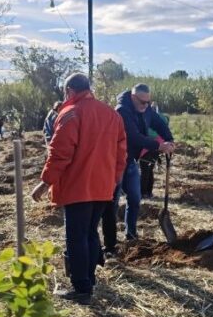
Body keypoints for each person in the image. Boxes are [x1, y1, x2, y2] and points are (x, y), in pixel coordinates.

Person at [32, 73, 126, 305]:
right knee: (91, 232)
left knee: (76, 237)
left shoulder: (71, 113)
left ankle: (81, 288)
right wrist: (112, 180)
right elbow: (121, 154)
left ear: (69, 91)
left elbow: (60, 153)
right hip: (103, 187)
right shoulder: (111, 114)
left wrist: (45, 182)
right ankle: (89, 280)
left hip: (78, 187)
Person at [104, 84, 174, 255]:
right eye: (142, 102)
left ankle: (131, 235)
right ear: (133, 98)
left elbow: (159, 123)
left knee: (135, 199)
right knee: (112, 204)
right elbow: (134, 137)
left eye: (148, 102)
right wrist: (159, 145)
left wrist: (170, 140)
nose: (146, 106)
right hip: (115, 163)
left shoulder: (146, 108)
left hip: (130, 162)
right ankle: (110, 245)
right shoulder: (122, 111)